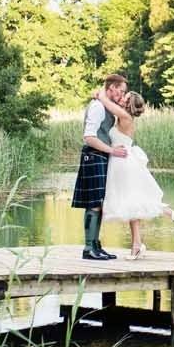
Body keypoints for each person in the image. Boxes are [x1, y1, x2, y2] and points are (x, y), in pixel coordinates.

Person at [95, 89, 174, 260]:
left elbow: (105, 101)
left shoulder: (125, 117)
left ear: (129, 104)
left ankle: (162, 211)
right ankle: (137, 245)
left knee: (130, 203)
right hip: (119, 162)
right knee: (131, 205)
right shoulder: (122, 117)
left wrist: (100, 94)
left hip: (123, 163)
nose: (121, 100)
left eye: (124, 98)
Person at [71, 74, 130, 260]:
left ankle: (96, 245)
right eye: (120, 91)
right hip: (93, 155)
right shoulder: (97, 107)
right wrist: (112, 150)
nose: (121, 95)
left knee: (100, 204)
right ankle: (88, 248)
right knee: (94, 204)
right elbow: (89, 137)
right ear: (111, 87)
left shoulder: (105, 105)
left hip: (101, 156)